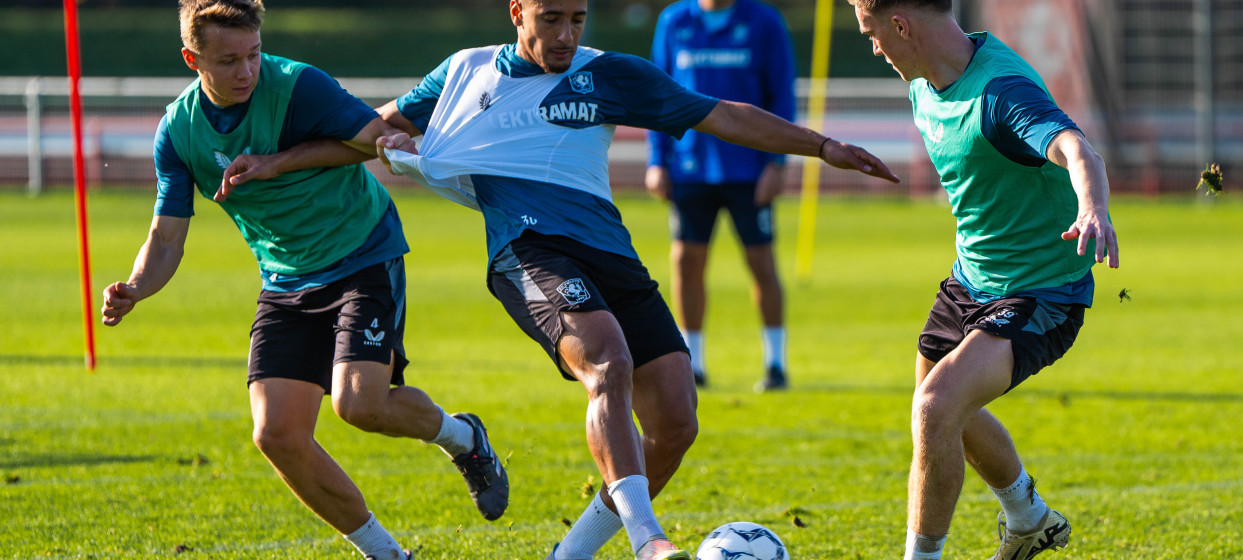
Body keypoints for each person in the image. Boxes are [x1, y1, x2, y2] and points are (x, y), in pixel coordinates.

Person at [365, 1, 896, 558]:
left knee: (675, 422)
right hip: (526, 252)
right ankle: (649, 541)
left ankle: (568, 555)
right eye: (551, 19)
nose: (566, 34)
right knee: (607, 362)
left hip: (610, 254)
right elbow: (376, 124)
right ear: (517, 12)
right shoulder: (466, 73)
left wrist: (822, 147)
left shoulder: (610, 74)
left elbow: (723, 115)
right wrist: (380, 143)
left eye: (577, 18)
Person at [98, 1, 509, 559]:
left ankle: (464, 438)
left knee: (360, 404)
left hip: (362, 253)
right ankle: (387, 554)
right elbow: (167, 238)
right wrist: (136, 287)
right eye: (228, 61)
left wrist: (287, 160)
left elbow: (372, 136)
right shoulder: (179, 131)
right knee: (276, 435)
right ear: (192, 59)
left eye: (253, 54)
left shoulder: (297, 86)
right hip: (286, 279)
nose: (246, 71)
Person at [848, 1, 1120, 559]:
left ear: (900, 26)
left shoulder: (1000, 92)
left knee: (935, 408)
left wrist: (1092, 208)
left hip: (1041, 292)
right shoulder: (925, 82)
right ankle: (1030, 518)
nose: (873, 48)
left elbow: (1077, 148)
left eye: (872, 35)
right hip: (969, 280)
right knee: (936, 407)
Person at [645, 0, 796, 392]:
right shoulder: (674, 21)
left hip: (750, 170)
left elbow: (781, 94)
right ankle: (692, 366)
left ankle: (775, 364)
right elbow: (656, 96)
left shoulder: (764, 21)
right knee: (686, 262)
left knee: (761, 262)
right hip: (690, 167)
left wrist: (777, 163)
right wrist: (657, 161)